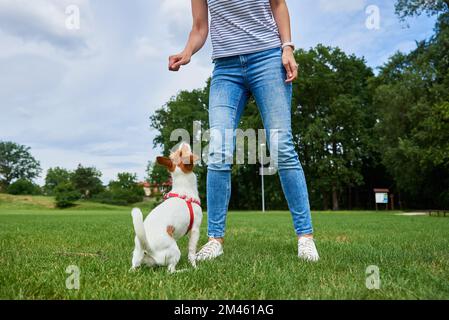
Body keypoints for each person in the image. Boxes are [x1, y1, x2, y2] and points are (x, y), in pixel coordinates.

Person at [168, 0, 319, 262]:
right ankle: (215, 239)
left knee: (282, 145)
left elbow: (278, 4)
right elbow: (200, 27)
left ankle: (305, 237)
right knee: (218, 148)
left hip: (268, 58)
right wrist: (188, 51)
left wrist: (287, 47)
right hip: (226, 68)